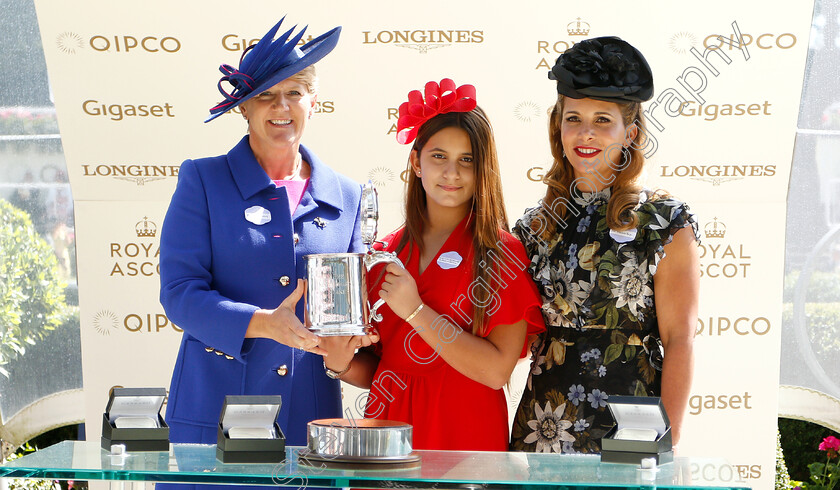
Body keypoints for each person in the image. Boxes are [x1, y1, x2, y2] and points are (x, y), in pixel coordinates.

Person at [159, 17, 376, 463]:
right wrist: (263, 323)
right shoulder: (202, 180)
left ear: (313, 101)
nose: (282, 106)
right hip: (212, 419)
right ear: (243, 107)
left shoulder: (349, 196)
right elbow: (179, 294)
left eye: (294, 91)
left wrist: (347, 342)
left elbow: (349, 312)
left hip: (308, 424)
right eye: (266, 95)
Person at [319, 79, 545, 451]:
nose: (451, 173)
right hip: (387, 433)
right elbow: (383, 369)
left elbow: (495, 371)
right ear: (416, 163)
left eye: (467, 160)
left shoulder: (501, 253)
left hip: (466, 433)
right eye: (439, 156)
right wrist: (340, 363)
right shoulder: (382, 252)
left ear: (482, 169)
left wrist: (416, 311)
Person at [509, 36, 700, 454]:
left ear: (630, 132)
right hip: (544, 426)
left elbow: (680, 337)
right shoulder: (532, 226)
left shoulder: (664, 220)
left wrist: (664, 442)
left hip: (634, 423)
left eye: (602, 120)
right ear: (557, 128)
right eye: (573, 118)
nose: (586, 133)